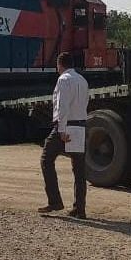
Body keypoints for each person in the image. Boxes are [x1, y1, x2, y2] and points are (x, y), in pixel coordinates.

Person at [38, 52, 90, 219]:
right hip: (80, 126)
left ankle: (55, 201)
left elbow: (62, 106)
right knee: (79, 169)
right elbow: (85, 103)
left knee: (46, 159)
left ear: (59, 65)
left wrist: (61, 130)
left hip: (66, 126)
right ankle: (79, 209)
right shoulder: (82, 80)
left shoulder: (63, 80)